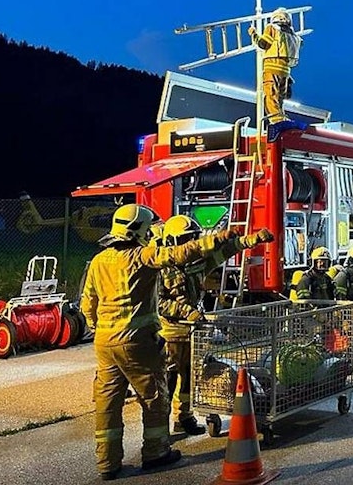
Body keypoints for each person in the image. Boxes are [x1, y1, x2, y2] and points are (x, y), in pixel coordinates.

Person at [80, 204, 242, 481]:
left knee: (108, 403)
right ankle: (156, 453)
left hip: (104, 344)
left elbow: (87, 304)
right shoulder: (142, 256)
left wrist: (98, 327)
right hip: (137, 342)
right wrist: (220, 237)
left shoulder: (99, 261)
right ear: (139, 230)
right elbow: (181, 253)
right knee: (155, 399)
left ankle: (107, 463)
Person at [157, 215, 274, 437]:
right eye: (186, 239)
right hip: (170, 334)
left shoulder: (196, 264)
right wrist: (186, 312)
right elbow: (158, 302)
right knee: (167, 380)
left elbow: (225, 252)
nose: (191, 243)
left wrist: (252, 240)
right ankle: (160, 425)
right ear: (172, 241)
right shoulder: (161, 267)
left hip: (193, 333)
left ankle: (184, 417)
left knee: (191, 379)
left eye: (193, 238)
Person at [248, 8, 301, 126]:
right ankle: (282, 118)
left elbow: (263, 43)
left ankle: (277, 121)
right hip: (285, 71)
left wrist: (254, 34)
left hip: (271, 67)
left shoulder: (272, 28)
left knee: (271, 97)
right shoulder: (293, 35)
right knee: (280, 98)